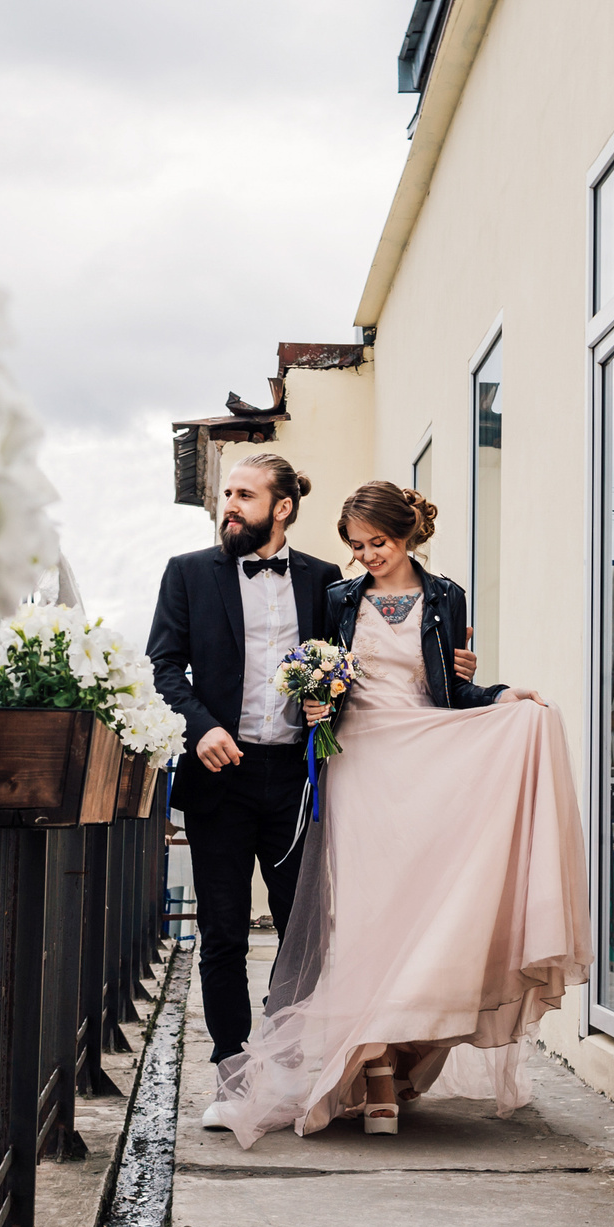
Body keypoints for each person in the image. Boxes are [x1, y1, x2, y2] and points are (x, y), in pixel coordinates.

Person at [208, 480, 588, 1144]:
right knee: (363, 912)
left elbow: (452, 684)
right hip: (359, 762)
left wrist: (500, 696)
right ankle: (376, 1070)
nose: (365, 557)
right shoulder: (337, 598)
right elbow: (314, 675)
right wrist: (314, 703)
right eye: (355, 547)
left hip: (425, 757)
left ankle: (398, 1053)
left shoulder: (446, 596)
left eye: (376, 543)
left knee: (417, 906)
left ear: (406, 534)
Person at [146, 457, 480, 1070]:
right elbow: (164, 667)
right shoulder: (187, 574)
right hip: (218, 776)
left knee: (303, 934)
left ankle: (283, 1059)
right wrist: (202, 728)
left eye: (244, 494)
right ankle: (229, 1064)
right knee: (221, 933)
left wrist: (449, 669)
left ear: (282, 507)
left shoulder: (329, 583)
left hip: (303, 780)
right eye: (227, 493)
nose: (229, 504)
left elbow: (370, 662)